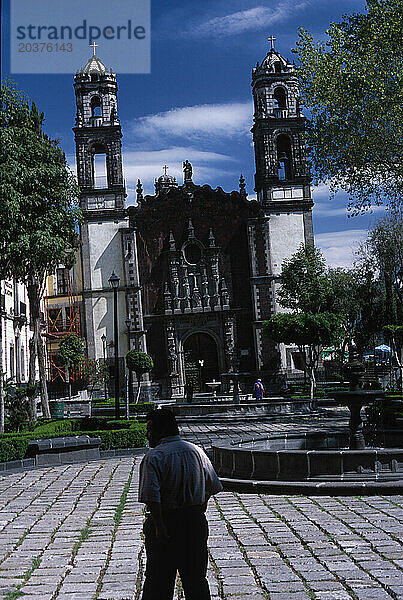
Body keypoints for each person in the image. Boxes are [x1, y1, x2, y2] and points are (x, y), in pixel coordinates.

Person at [139, 408, 223, 600]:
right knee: (196, 580)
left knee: (158, 582)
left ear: (161, 431)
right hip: (194, 522)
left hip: (166, 524)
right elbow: (212, 484)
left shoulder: (154, 457)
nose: (147, 434)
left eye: (150, 430)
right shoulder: (196, 451)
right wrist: (201, 505)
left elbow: (153, 497)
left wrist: (159, 526)